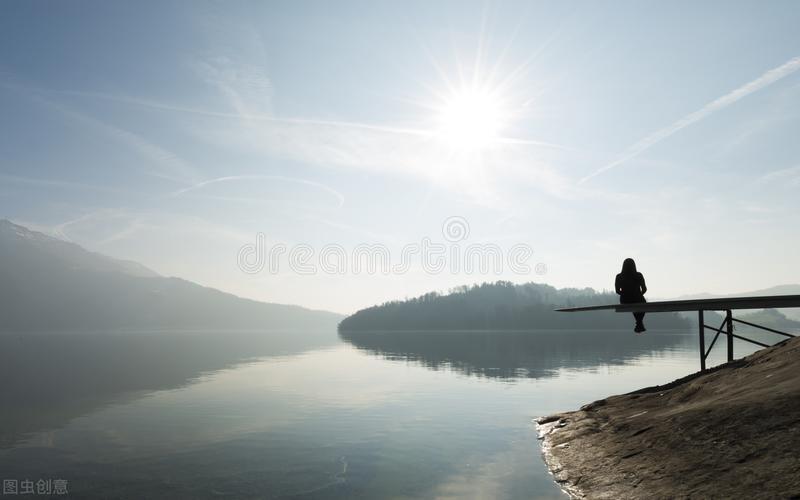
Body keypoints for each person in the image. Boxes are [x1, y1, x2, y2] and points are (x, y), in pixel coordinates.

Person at [615, 258, 647, 333]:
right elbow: (644, 289)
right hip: (637, 298)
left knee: (634, 304)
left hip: (624, 300)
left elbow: (617, 291)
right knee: (643, 305)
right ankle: (639, 323)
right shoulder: (638, 275)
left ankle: (639, 324)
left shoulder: (619, 276)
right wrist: (639, 294)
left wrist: (624, 294)